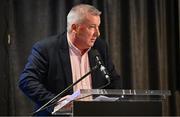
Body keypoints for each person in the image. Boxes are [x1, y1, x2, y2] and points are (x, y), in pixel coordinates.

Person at [19, 4, 122, 116]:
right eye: (92, 27)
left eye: (98, 26)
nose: (97, 33)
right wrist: (56, 102)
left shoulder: (100, 47)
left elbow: (114, 81)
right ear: (74, 28)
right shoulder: (46, 49)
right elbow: (27, 81)